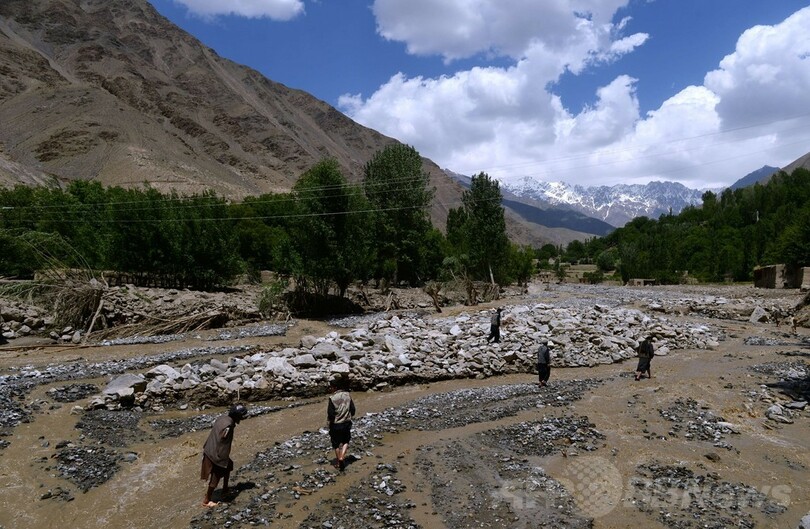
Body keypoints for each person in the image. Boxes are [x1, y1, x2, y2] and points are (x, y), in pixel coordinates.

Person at [201, 403, 248, 507]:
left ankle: (225, 489)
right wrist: (222, 459)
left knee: (229, 465)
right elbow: (222, 441)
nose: (242, 418)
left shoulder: (223, 418)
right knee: (216, 476)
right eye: (241, 416)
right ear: (237, 416)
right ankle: (206, 500)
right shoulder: (228, 426)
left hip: (209, 448)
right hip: (216, 453)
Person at [327, 377, 355, 471]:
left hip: (336, 424)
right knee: (346, 441)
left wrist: (330, 422)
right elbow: (353, 410)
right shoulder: (347, 395)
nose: (330, 388)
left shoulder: (332, 398)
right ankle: (342, 457)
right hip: (346, 422)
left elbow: (330, 414)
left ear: (335, 387)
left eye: (331, 387)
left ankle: (339, 460)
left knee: (336, 444)